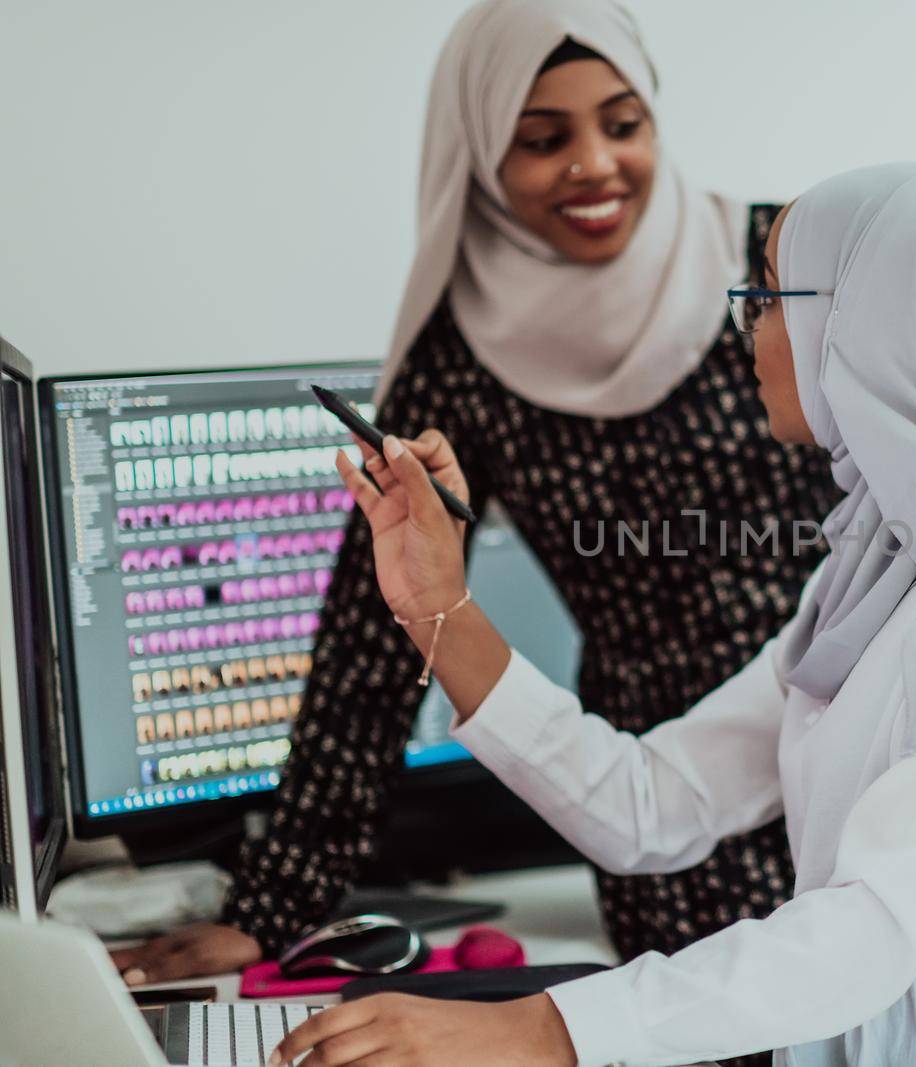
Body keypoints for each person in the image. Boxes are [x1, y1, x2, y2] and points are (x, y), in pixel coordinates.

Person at [271, 163, 916, 1067]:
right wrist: (436, 604)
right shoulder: (881, 555)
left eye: (770, 295)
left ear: (887, 324)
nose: (742, 325)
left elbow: (870, 925)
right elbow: (647, 806)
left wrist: (541, 1027)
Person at [110, 0, 839, 1016]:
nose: (593, 164)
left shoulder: (783, 268)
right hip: (653, 799)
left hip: (854, 737)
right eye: (542, 140)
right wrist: (275, 905)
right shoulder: (461, 355)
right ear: (476, 156)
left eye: (623, 124)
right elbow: (377, 633)